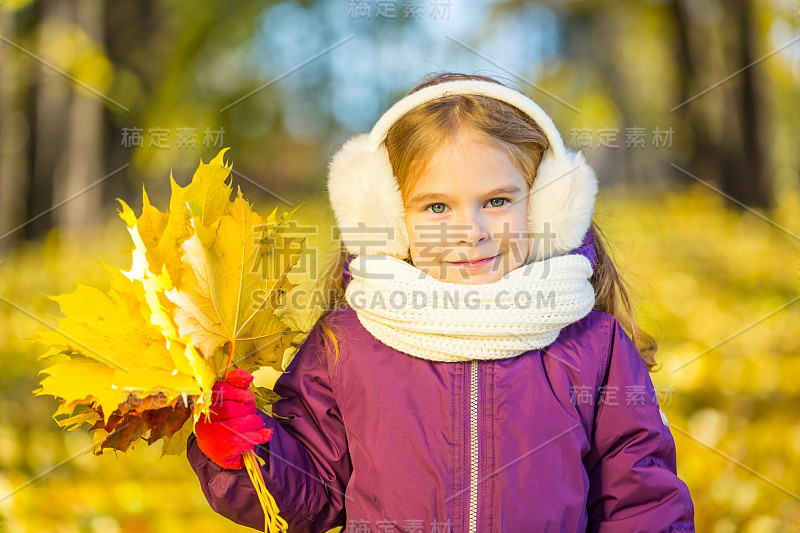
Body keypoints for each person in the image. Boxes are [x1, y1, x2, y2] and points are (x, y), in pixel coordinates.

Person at [187, 72, 696, 532]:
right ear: (389, 219)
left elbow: (641, 505)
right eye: (436, 206)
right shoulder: (348, 344)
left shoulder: (593, 346)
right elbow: (311, 492)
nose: (469, 233)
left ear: (547, 204)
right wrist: (245, 454)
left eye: (497, 201)